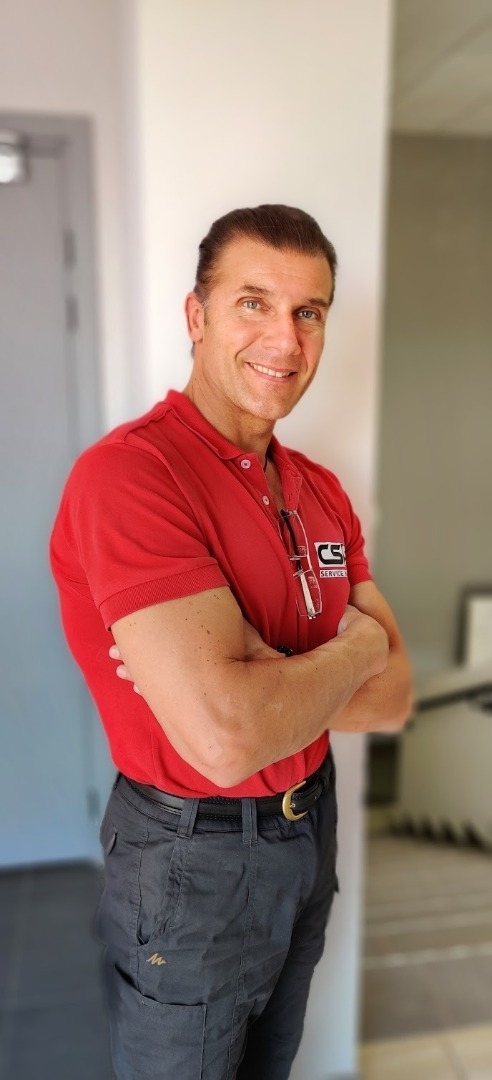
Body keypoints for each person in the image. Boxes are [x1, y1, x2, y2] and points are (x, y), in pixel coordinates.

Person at [50, 204, 412, 1080]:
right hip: (192, 856)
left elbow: (396, 698)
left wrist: (267, 675)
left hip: (309, 828)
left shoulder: (321, 489)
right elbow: (225, 738)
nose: (285, 339)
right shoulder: (131, 475)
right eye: (253, 302)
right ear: (197, 314)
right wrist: (357, 648)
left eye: (308, 312)